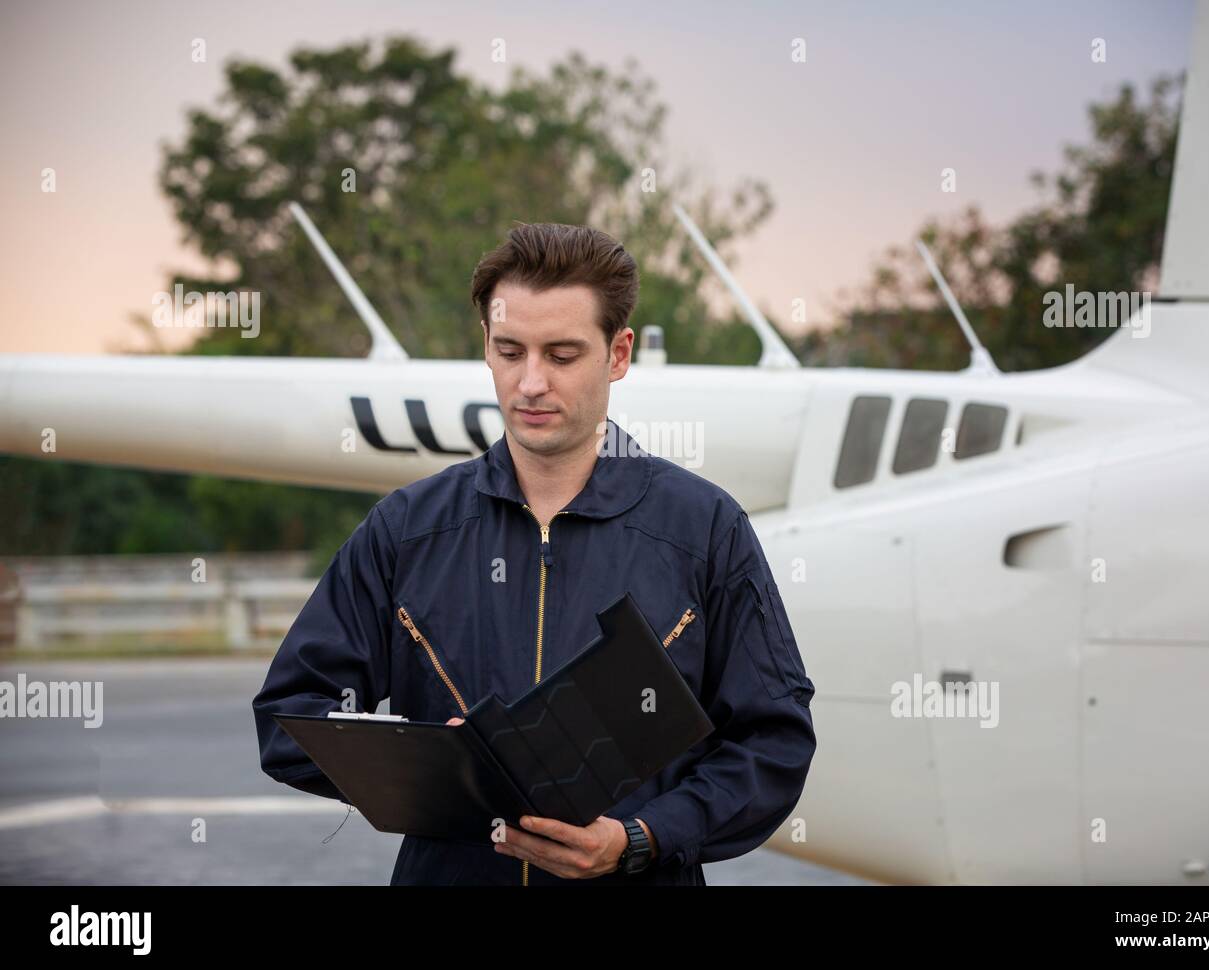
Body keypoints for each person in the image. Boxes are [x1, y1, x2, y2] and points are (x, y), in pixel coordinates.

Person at [252, 222, 816, 885]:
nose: (531, 383)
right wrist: (436, 769)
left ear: (619, 353)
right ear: (486, 349)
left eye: (563, 353)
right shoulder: (405, 529)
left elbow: (772, 740)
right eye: (510, 350)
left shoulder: (704, 529)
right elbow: (291, 715)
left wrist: (643, 836)